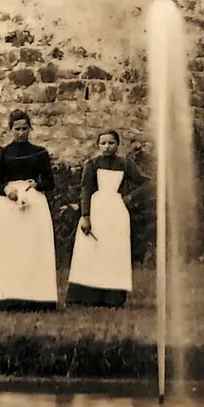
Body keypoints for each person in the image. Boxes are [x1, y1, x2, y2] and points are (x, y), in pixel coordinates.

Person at [0, 110, 58, 310]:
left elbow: (50, 182)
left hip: (34, 204)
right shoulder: (3, 153)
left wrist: (37, 184)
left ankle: (36, 295)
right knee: (10, 248)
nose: (21, 133)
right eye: (17, 129)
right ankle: (5, 294)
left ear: (30, 129)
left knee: (32, 248)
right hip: (8, 205)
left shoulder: (40, 152)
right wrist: (7, 190)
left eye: (25, 129)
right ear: (10, 130)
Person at [66, 129, 143, 307]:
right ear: (98, 145)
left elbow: (146, 182)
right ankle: (86, 296)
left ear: (117, 144)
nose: (107, 147)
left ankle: (113, 297)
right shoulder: (92, 164)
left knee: (113, 251)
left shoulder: (125, 164)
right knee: (91, 250)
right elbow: (85, 190)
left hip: (117, 212)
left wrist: (130, 197)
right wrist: (85, 216)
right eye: (103, 143)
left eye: (111, 143)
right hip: (97, 209)